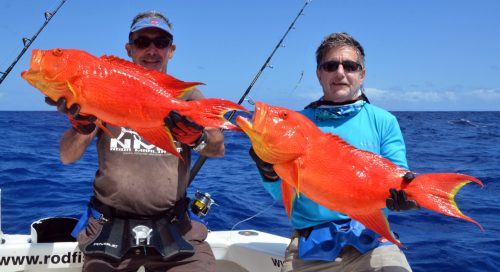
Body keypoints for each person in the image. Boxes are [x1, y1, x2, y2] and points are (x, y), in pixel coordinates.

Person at [48, 11, 220, 272]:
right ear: (129, 49)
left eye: (160, 42)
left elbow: (217, 147)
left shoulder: (187, 96)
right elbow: (67, 156)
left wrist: (197, 138)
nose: (152, 49)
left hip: (177, 228)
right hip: (107, 227)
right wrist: (83, 127)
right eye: (142, 42)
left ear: (171, 50)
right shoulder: (104, 88)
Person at [249, 32, 419, 271]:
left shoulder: (383, 121)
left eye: (350, 66)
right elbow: (283, 195)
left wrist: (406, 196)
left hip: (373, 241)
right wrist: (268, 171)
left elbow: (398, 175)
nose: (340, 73)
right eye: (330, 66)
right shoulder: (297, 122)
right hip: (310, 246)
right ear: (319, 74)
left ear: (362, 74)